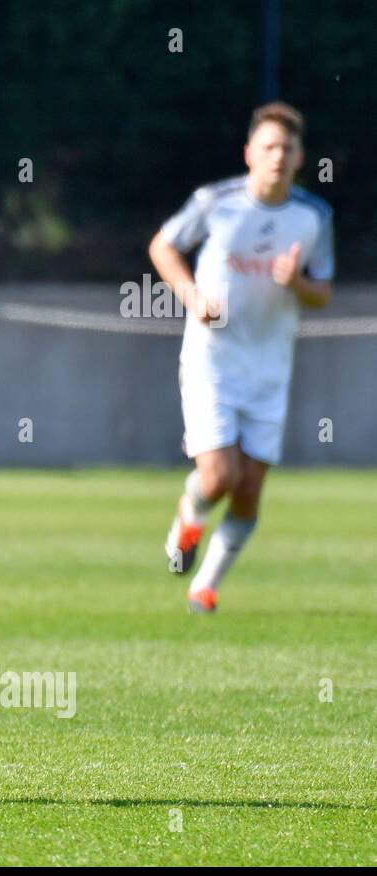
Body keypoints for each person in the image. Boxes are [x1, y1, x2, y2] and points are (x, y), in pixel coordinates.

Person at [150, 101, 333, 614]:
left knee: (250, 488)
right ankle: (189, 519)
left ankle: (204, 587)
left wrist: (295, 283)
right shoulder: (217, 202)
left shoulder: (313, 217)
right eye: (269, 146)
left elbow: (323, 291)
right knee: (219, 476)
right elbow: (163, 246)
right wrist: (190, 296)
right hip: (213, 361)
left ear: (300, 158)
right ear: (250, 153)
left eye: (288, 148)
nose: (278, 156)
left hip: (270, 368)